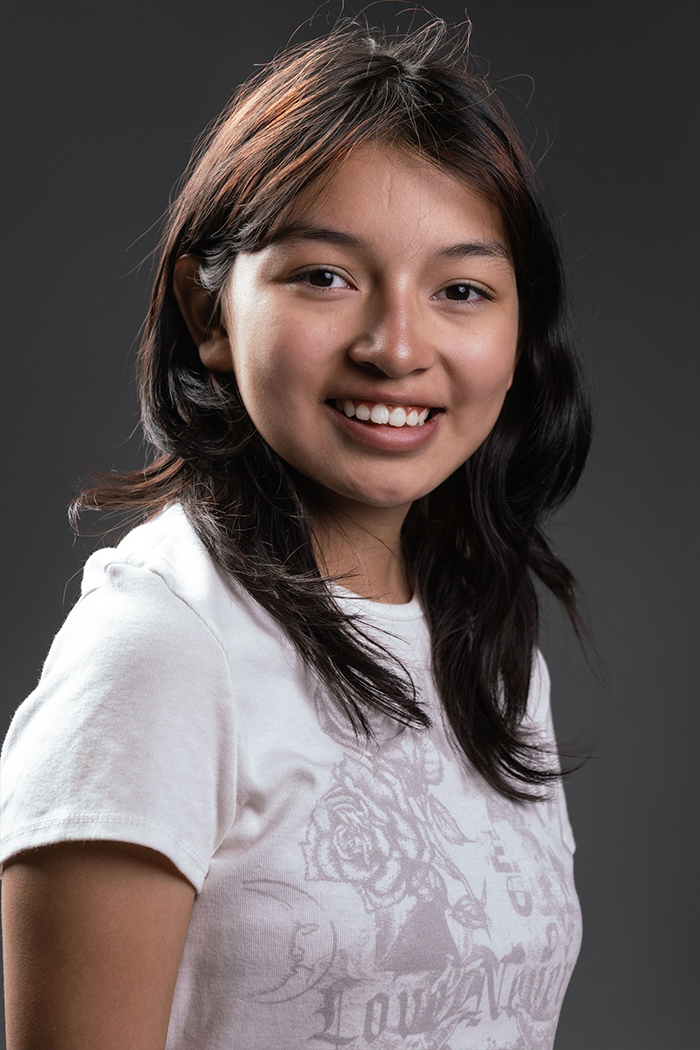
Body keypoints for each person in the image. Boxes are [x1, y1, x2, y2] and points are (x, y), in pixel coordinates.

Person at [0, 17, 591, 1050]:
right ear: (210, 314)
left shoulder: (486, 647)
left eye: (460, 290)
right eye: (325, 276)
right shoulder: (162, 652)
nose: (396, 347)